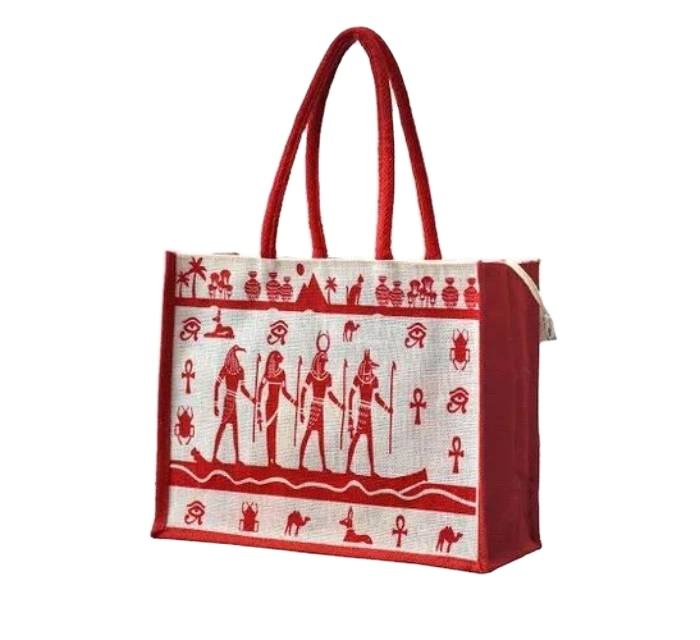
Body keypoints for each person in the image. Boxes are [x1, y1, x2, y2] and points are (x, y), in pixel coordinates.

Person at [298, 333, 343, 472]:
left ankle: (323, 466)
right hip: (314, 407)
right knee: (308, 434)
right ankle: (300, 463)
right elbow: (303, 391)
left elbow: (329, 394)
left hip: (320, 407)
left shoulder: (327, 376)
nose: (324, 364)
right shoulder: (311, 374)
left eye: (325, 362)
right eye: (322, 362)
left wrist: (339, 404)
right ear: (318, 361)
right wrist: (301, 411)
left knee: (320, 437)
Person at [346, 350, 392, 476]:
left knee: (369, 441)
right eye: (370, 366)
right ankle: (348, 468)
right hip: (362, 412)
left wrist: (386, 407)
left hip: (368, 412)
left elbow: (376, 397)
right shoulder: (358, 378)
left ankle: (371, 470)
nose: (371, 369)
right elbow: (350, 395)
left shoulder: (374, 379)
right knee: (356, 439)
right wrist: (350, 416)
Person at [212, 345, 254, 464]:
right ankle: (217, 456)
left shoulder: (239, 370)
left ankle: (235, 459)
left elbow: (242, 388)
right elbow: (216, 385)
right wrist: (215, 404)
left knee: (231, 428)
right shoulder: (227, 369)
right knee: (224, 427)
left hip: (231, 400)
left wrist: (252, 399)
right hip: (229, 401)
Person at [256, 350, 296, 467]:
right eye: (277, 360)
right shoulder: (268, 373)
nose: (279, 362)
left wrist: (293, 401)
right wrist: (258, 407)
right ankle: (270, 461)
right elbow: (260, 389)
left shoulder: (282, 373)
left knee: (273, 433)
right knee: (270, 433)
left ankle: (272, 460)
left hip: (276, 406)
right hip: (269, 405)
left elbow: (284, 391)